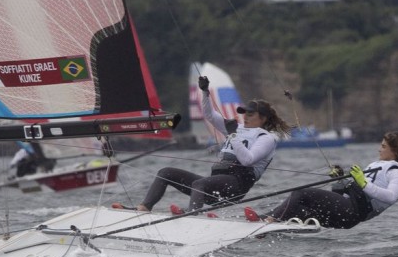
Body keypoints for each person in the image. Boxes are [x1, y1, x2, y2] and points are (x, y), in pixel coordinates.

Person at [113, 76, 291, 214]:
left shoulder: (266, 138)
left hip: (236, 186)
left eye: (250, 114)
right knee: (165, 172)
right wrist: (205, 92)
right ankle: (144, 208)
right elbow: (210, 115)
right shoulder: (237, 128)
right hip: (215, 184)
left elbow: (247, 160)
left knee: (199, 183)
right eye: (244, 112)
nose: (245, 116)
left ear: (263, 118)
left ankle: (192, 215)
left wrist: (233, 134)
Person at [244, 131, 398, 228]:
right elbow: (344, 192)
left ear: (394, 150)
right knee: (298, 208)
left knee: (302, 193)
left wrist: (363, 182)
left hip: (353, 212)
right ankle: (255, 223)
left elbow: (389, 196)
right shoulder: (376, 165)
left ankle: (266, 221)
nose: (379, 149)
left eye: (383, 146)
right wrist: (339, 179)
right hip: (346, 206)